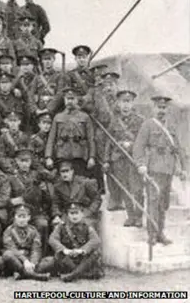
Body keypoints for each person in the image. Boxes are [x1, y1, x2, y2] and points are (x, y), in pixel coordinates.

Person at [133, 95, 188, 244]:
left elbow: (179, 149)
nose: (161, 111)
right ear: (153, 108)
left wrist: (183, 168)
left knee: (163, 203)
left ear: (167, 109)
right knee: (153, 201)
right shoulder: (148, 125)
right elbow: (138, 146)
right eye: (159, 107)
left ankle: (160, 233)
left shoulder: (171, 127)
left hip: (168, 170)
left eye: (164, 108)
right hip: (153, 168)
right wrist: (141, 164)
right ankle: (152, 234)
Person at [102, 89, 145, 220]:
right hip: (118, 159)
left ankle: (138, 216)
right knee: (124, 188)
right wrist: (106, 160)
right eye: (123, 102)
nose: (126, 105)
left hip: (133, 159)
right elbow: (109, 140)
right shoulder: (114, 121)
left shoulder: (140, 120)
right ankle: (130, 216)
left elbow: (143, 141)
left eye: (129, 102)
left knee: (137, 189)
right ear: (118, 104)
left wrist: (131, 146)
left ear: (133, 104)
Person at [45, 87, 96, 177]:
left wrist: (92, 157)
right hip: (62, 155)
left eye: (72, 99)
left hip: (79, 156)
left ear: (77, 100)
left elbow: (91, 139)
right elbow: (51, 139)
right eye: (67, 99)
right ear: (64, 100)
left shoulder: (85, 117)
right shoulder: (58, 117)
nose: (69, 101)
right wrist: (48, 157)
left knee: (79, 183)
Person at [47, 202, 103, 282]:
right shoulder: (61, 227)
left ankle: (73, 275)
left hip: (82, 258)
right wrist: (64, 250)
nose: (74, 216)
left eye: (77, 213)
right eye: (71, 213)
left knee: (95, 253)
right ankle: (81, 273)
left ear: (82, 214)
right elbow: (52, 239)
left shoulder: (87, 227)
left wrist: (82, 250)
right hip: (68, 259)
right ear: (67, 215)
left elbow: (96, 240)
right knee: (59, 254)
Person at [0, 203, 51, 281]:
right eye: (19, 216)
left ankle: (22, 273)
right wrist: (25, 261)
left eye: (24, 217)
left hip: (30, 260)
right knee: (7, 255)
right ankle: (34, 275)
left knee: (50, 260)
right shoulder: (9, 231)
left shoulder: (33, 231)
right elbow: (12, 248)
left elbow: (36, 249)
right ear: (14, 217)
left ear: (29, 218)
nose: (21, 219)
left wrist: (33, 263)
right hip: (17, 260)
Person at [51, 159, 101, 228]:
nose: (65, 174)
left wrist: (88, 212)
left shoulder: (85, 182)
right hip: (68, 214)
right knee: (58, 227)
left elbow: (96, 199)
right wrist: (56, 215)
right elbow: (55, 203)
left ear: (72, 171)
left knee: (85, 227)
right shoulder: (58, 186)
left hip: (84, 212)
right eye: (62, 172)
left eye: (67, 171)